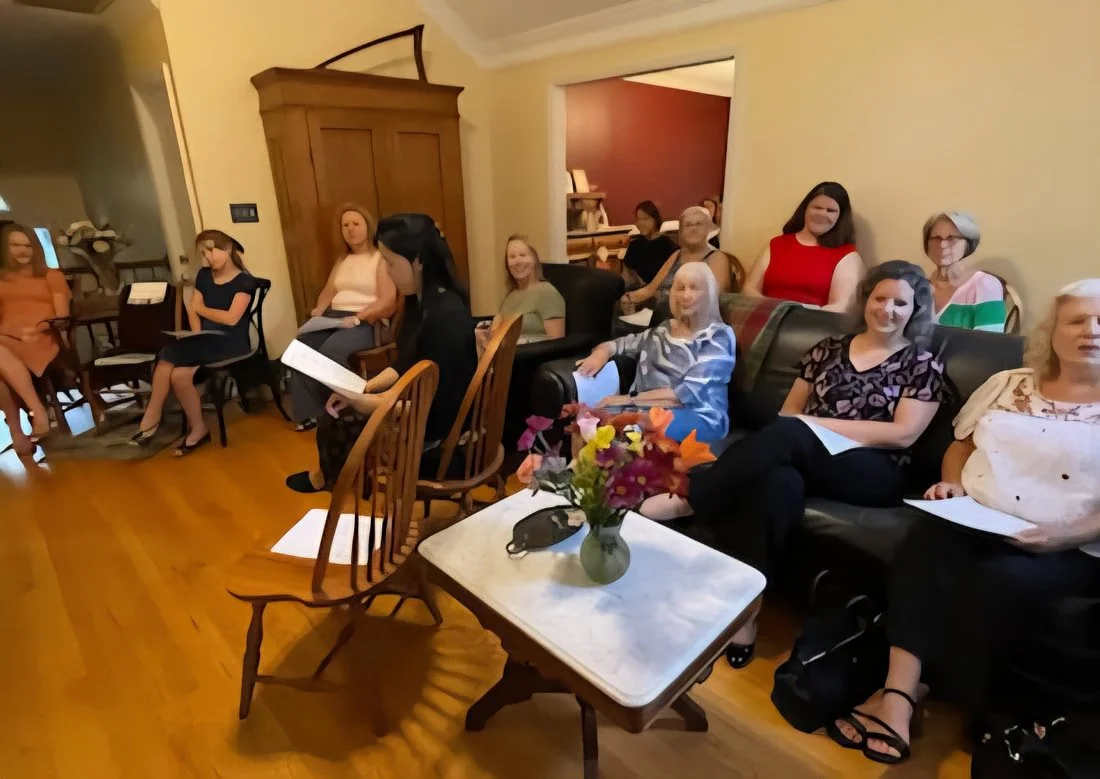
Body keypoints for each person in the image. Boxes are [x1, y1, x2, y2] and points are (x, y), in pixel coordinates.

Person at [830, 279, 1100, 765]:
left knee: (999, 580)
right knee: (923, 541)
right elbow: (960, 445)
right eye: (1077, 320)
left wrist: (1066, 534)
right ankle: (898, 695)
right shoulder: (1009, 381)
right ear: (1053, 331)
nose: (1091, 330)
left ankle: (968, 707)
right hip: (979, 516)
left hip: (1072, 544)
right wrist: (952, 485)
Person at [641, 261, 945, 666]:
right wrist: (806, 428)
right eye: (880, 298)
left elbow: (903, 433)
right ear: (866, 300)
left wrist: (813, 426)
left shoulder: (922, 365)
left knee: (791, 434)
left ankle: (697, 494)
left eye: (900, 303)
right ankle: (744, 616)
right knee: (777, 485)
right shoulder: (829, 348)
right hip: (807, 455)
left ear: (915, 310)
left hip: (874, 468)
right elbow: (788, 412)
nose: (888, 310)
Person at [286, 213, 478, 494]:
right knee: (339, 411)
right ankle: (334, 480)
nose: (387, 272)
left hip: (436, 435)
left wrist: (369, 402)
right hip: (424, 410)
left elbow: (435, 406)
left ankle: (333, 484)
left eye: (390, 263)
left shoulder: (444, 315)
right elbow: (406, 363)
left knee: (340, 420)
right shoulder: (421, 301)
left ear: (418, 261)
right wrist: (365, 387)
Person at [575, 263, 735, 444]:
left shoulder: (719, 336)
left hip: (699, 415)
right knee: (585, 419)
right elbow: (622, 343)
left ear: (709, 294)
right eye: (680, 288)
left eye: (694, 288)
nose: (686, 295)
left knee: (634, 425)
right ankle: (583, 471)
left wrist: (625, 400)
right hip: (647, 409)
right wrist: (601, 353)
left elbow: (686, 393)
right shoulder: (664, 329)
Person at [131, 230, 256, 455]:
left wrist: (200, 309)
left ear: (227, 248)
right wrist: (197, 334)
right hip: (207, 340)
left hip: (232, 342)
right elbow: (194, 310)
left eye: (211, 249)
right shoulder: (204, 276)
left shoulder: (244, 281)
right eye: (202, 252)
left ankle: (151, 418)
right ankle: (198, 429)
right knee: (179, 375)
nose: (207, 256)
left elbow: (231, 318)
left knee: (168, 352)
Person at [287, 205, 399, 431]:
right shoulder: (342, 261)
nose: (350, 229)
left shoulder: (380, 259)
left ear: (368, 226)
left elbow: (388, 301)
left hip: (366, 321)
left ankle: (348, 406)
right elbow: (329, 292)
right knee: (298, 350)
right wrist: (318, 310)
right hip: (333, 318)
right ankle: (312, 413)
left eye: (356, 224)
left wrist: (359, 317)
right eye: (345, 225)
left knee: (330, 351)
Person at [0, 223, 72, 455]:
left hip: (42, 337)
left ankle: (22, 428)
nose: (23, 251)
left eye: (28, 246)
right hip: (7, 339)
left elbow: (62, 316)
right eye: (15, 245)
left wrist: (39, 328)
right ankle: (33, 415)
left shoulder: (52, 276)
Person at [743, 181, 863, 311]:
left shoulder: (847, 255)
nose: (822, 214)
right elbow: (749, 289)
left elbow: (840, 308)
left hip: (810, 326)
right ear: (805, 209)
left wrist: (792, 311)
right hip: (765, 320)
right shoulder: (776, 244)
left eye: (831, 211)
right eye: (817, 208)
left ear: (840, 217)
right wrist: (773, 310)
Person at [622, 206, 734, 315]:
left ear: (708, 228)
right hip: (656, 312)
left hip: (688, 319)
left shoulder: (718, 257)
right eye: (688, 225)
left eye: (699, 224)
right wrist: (629, 297)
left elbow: (714, 299)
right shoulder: (677, 254)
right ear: (681, 231)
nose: (693, 228)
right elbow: (650, 289)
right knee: (619, 306)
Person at [477, 235, 565, 352]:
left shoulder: (547, 293)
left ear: (534, 260)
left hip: (530, 360)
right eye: (512, 257)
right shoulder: (511, 295)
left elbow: (556, 345)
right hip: (505, 359)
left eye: (523, 255)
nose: (517, 261)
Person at [922, 211, 1006, 332]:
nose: (943, 244)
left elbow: (989, 344)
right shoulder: (920, 284)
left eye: (952, 238)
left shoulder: (986, 285)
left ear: (969, 243)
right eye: (936, 238)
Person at [622, 201, 678, 287]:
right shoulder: (634, 245)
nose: (640, 223)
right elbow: (627, 274)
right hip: (637, 290)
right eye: (638, 219)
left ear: (655, 220)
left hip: (661, 290)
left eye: (645, 219)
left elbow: (673, 275)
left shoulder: (667, 244)